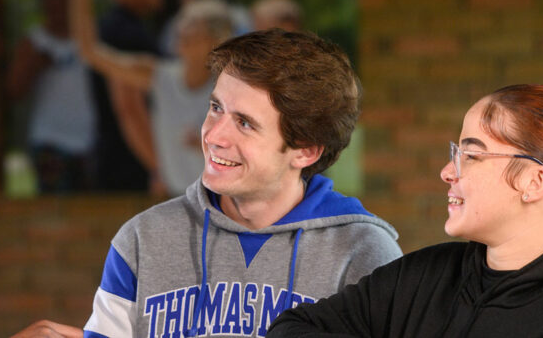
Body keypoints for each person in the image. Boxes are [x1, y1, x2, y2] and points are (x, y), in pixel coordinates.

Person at [268, 84, 543, 337]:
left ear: (534, 182)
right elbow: (293, 329)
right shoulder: (423, 275)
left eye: (471, 155)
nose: (446, 172)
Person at [82, 29, 403, 338]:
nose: (212, 135)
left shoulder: (366, 255)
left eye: (245, 123)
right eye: (216, 107)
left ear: (306, 150)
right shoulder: (141, 240)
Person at [71, 0, 234, 197]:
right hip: (178, 203)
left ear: (216, 40)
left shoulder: (232, 88)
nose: (182, 28)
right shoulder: (161, 77)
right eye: (182, 20)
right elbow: (90, 52)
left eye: (193, 23)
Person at [7, 0, 97, 193]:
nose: (58, 7)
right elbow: (14, 91)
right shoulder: (33, 42)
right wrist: (34, 65)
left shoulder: (91, 40)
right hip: (49, 142)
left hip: (88, 142)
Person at [85, 0, 167, 192]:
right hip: (131, 167)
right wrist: (159, 168)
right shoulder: (124, 32)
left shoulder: (128, 27)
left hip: (124, 161)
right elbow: (129, 107)